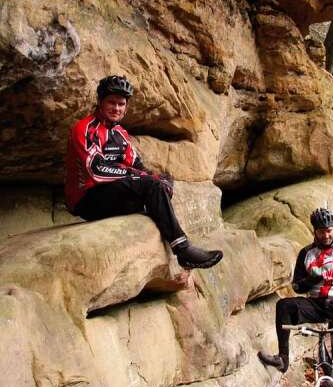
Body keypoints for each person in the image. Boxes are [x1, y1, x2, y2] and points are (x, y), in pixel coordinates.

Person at [65, 75, 223, 269]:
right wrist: (143, 178)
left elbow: (137, 165)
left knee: (161, 182)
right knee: (151, 184)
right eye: (111, 103)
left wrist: (158, 179)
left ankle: (178, 247)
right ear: (100, 102)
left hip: (113, 193)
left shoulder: (120, 134)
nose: (116, 108)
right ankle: (183, 250)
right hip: (87, 199)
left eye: (121, 104)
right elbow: (96, 170)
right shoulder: (85, 128)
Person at [257, 207, 333, 387]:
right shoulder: (306, 254)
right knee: (284, 306)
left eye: (330, 230)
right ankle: (283, 358)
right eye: (322, 231)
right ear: (315, 231)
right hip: (316, 305)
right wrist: (310, 280)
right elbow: (296, 286)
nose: (327, 234)